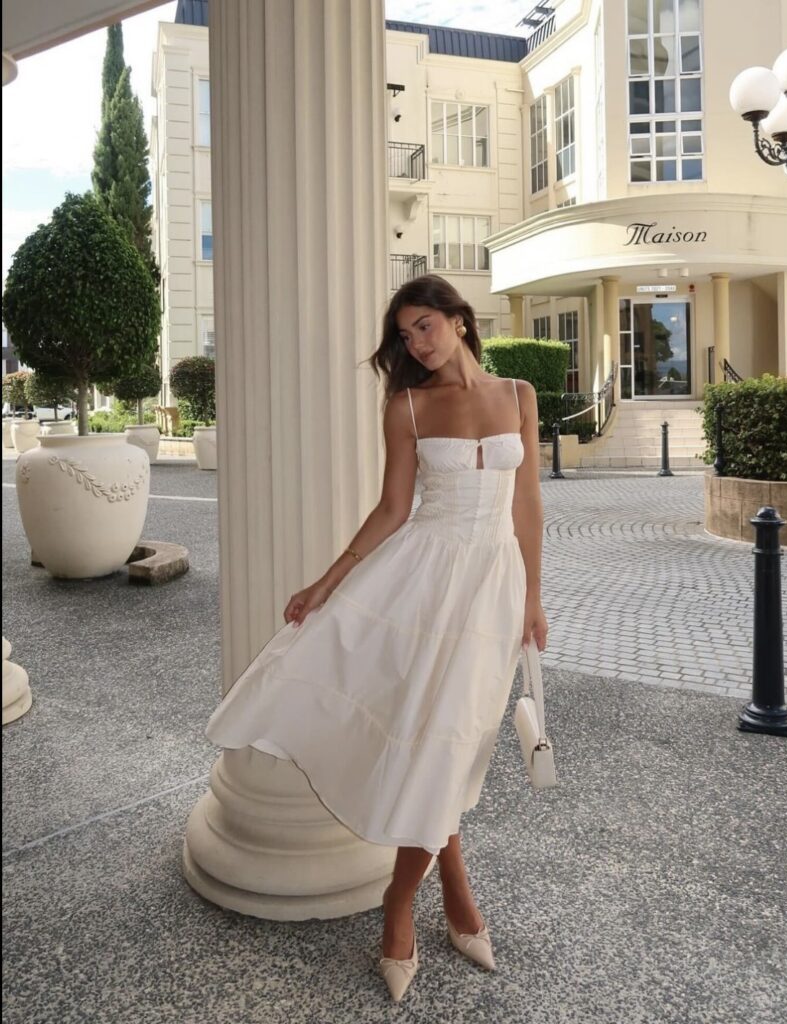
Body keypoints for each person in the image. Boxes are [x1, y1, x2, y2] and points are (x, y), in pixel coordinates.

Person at [204, 274, 547, 1002]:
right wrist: (328, 582)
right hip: (421, 581)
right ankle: (405, 909)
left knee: (455, 739)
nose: (415, 343)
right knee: (435, 737)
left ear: (458, 320)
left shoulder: (519, 395)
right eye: (406, 334)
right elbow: (393, 507)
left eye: (425, 326)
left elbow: (530, 507)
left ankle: (448, 892)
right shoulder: (408, 408)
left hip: (493, 586)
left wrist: (536, 597)